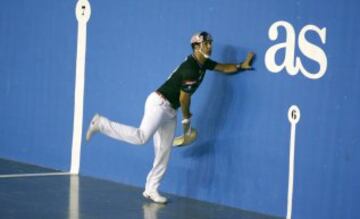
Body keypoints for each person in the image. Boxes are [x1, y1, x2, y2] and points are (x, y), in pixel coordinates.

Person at [85, 31, 255, 204]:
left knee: (164, 151)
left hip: (170, 110)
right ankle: (101, 123)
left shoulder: (203, 63)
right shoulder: (191, 68)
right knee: (141, 137)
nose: (210, 46)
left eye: (211, 43)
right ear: (197, 46)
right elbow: (184, 98)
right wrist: (187, 118)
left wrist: (242, 65)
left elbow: (223, 68)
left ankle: (151, 189)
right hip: (159, 104)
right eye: (207, 43)